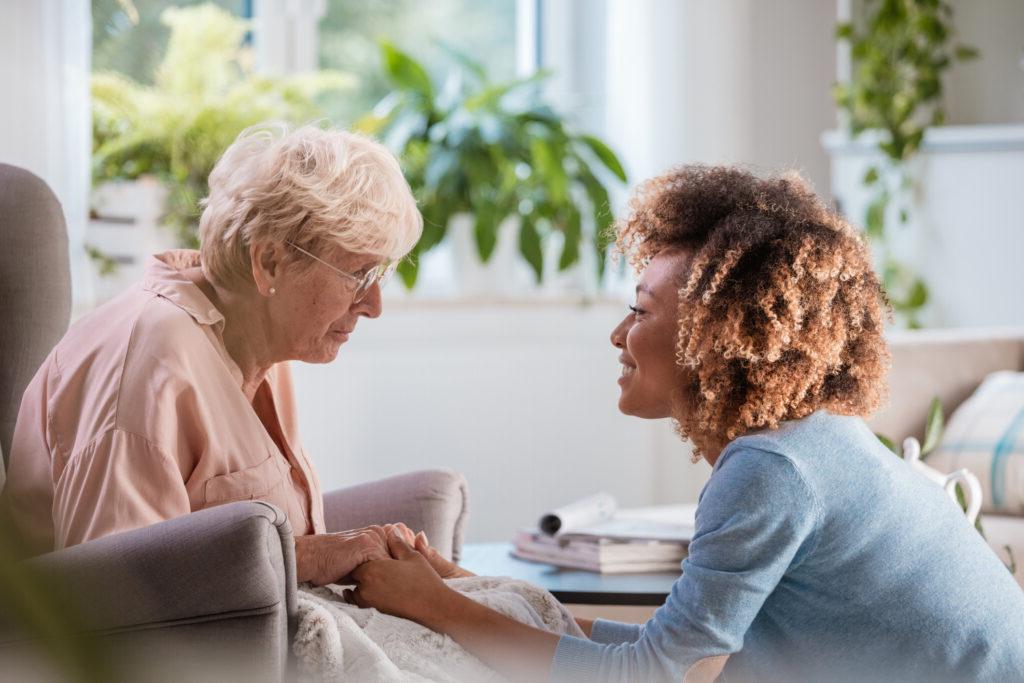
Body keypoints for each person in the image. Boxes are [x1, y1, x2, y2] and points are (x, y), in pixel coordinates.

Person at [345, 165, 1024, 682]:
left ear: (716, 338)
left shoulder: (771, 469)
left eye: (640, 312)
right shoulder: (807, 441)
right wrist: (471, 590)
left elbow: (657, 675)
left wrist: (436, 609)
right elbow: (674, 648)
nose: (618, 333)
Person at [3, 123, 460, 584]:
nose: (373, 305)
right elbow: (118, 596)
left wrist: (351, 550)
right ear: (269, 263)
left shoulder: (256, 339)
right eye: (358, 273)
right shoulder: (149, 364)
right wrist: (313, 558)